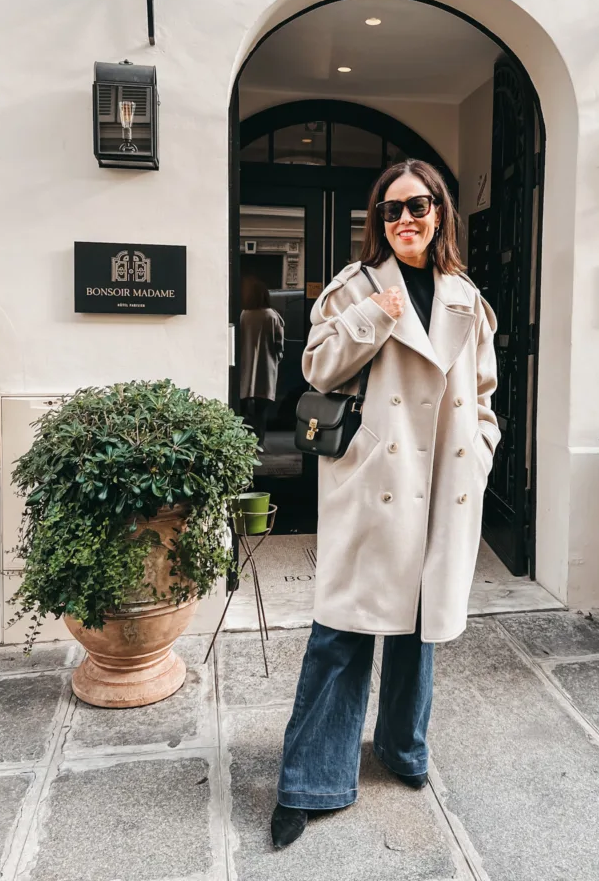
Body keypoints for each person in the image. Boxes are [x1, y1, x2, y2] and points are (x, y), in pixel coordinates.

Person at [270, 159, 501, 849]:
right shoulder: (356, 288)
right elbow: (316, 368)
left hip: (445, 486)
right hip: (376, 484)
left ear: (440, 214)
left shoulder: (465, 295)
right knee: (343, 632)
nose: (406, 219)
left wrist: (481, 451)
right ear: (377, 220)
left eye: (419, 206)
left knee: (419, 626)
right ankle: (311, 780)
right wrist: (374, 315)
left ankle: (403, 750)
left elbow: (483, 394)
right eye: (392, 209)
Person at [239, 276, 285, 448]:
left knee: (244, 410)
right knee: (261, 411)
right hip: (265, 369)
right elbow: (279, 344)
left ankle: (244, 443)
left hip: (245, 368)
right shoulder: (271, 316)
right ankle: (259, 443)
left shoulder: (244, 315)